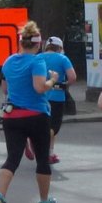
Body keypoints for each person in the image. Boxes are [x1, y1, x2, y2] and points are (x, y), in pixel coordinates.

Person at [0, 21, 59, 203]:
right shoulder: (37, 62)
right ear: (38, 44)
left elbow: (5, 89)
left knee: (12, 158)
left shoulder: (8, 61)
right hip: (36, 116)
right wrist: (52, 80)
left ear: (20, 42)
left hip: (11, 116)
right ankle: (44, 202)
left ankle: (0, 196)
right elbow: (39, 87)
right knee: (42, 160)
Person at [41, 37, 77, 165]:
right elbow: (72, 77)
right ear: (60, 47)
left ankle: (50, 153)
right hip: (57, 97)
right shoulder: (63, 59)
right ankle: (44, 150)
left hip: (41, 96)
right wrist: (66, 84)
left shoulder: (38, 58)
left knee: (44, 123)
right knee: (53, 127)